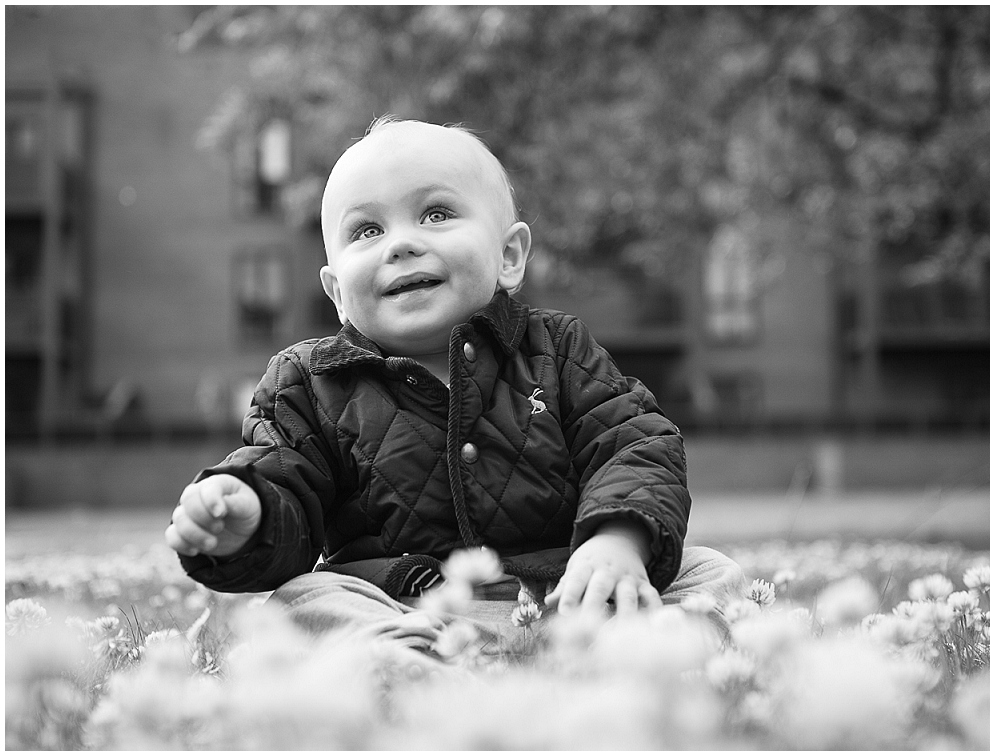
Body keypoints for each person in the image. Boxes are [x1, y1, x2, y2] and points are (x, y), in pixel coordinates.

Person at [166, 115, 746, 653]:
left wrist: (618, 538)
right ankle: (406, 667)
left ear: (509, 256)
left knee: (708, 571)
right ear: (337, 292)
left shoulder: (557, 349)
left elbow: (635, 444)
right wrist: (251, 515)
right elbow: (284, 480)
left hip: (566, 602)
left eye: (436, 214)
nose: (400, 243)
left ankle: (630, 652)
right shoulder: (310, 384)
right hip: (407, 610)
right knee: (305, 597)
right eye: (366, 230)